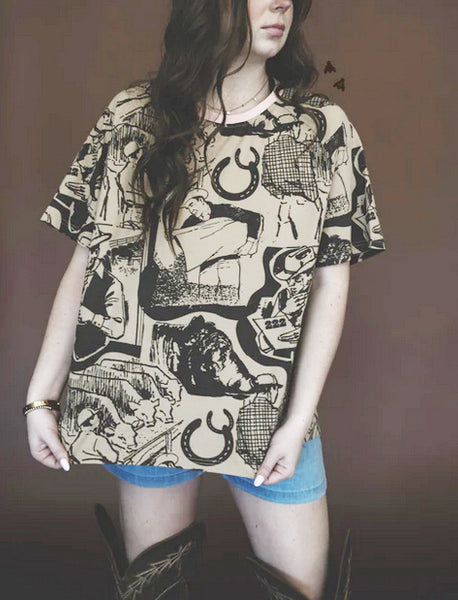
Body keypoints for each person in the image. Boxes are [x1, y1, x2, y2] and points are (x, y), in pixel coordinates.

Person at [25, 1, 386, 599]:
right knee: (154, 589)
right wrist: (41, 397)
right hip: (145, 407)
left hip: (268, 409)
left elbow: (330, 283)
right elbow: (89, 264)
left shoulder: (321, 129)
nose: (280, 3)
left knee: (303, 590)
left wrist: (297, 421)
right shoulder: (131, 117)